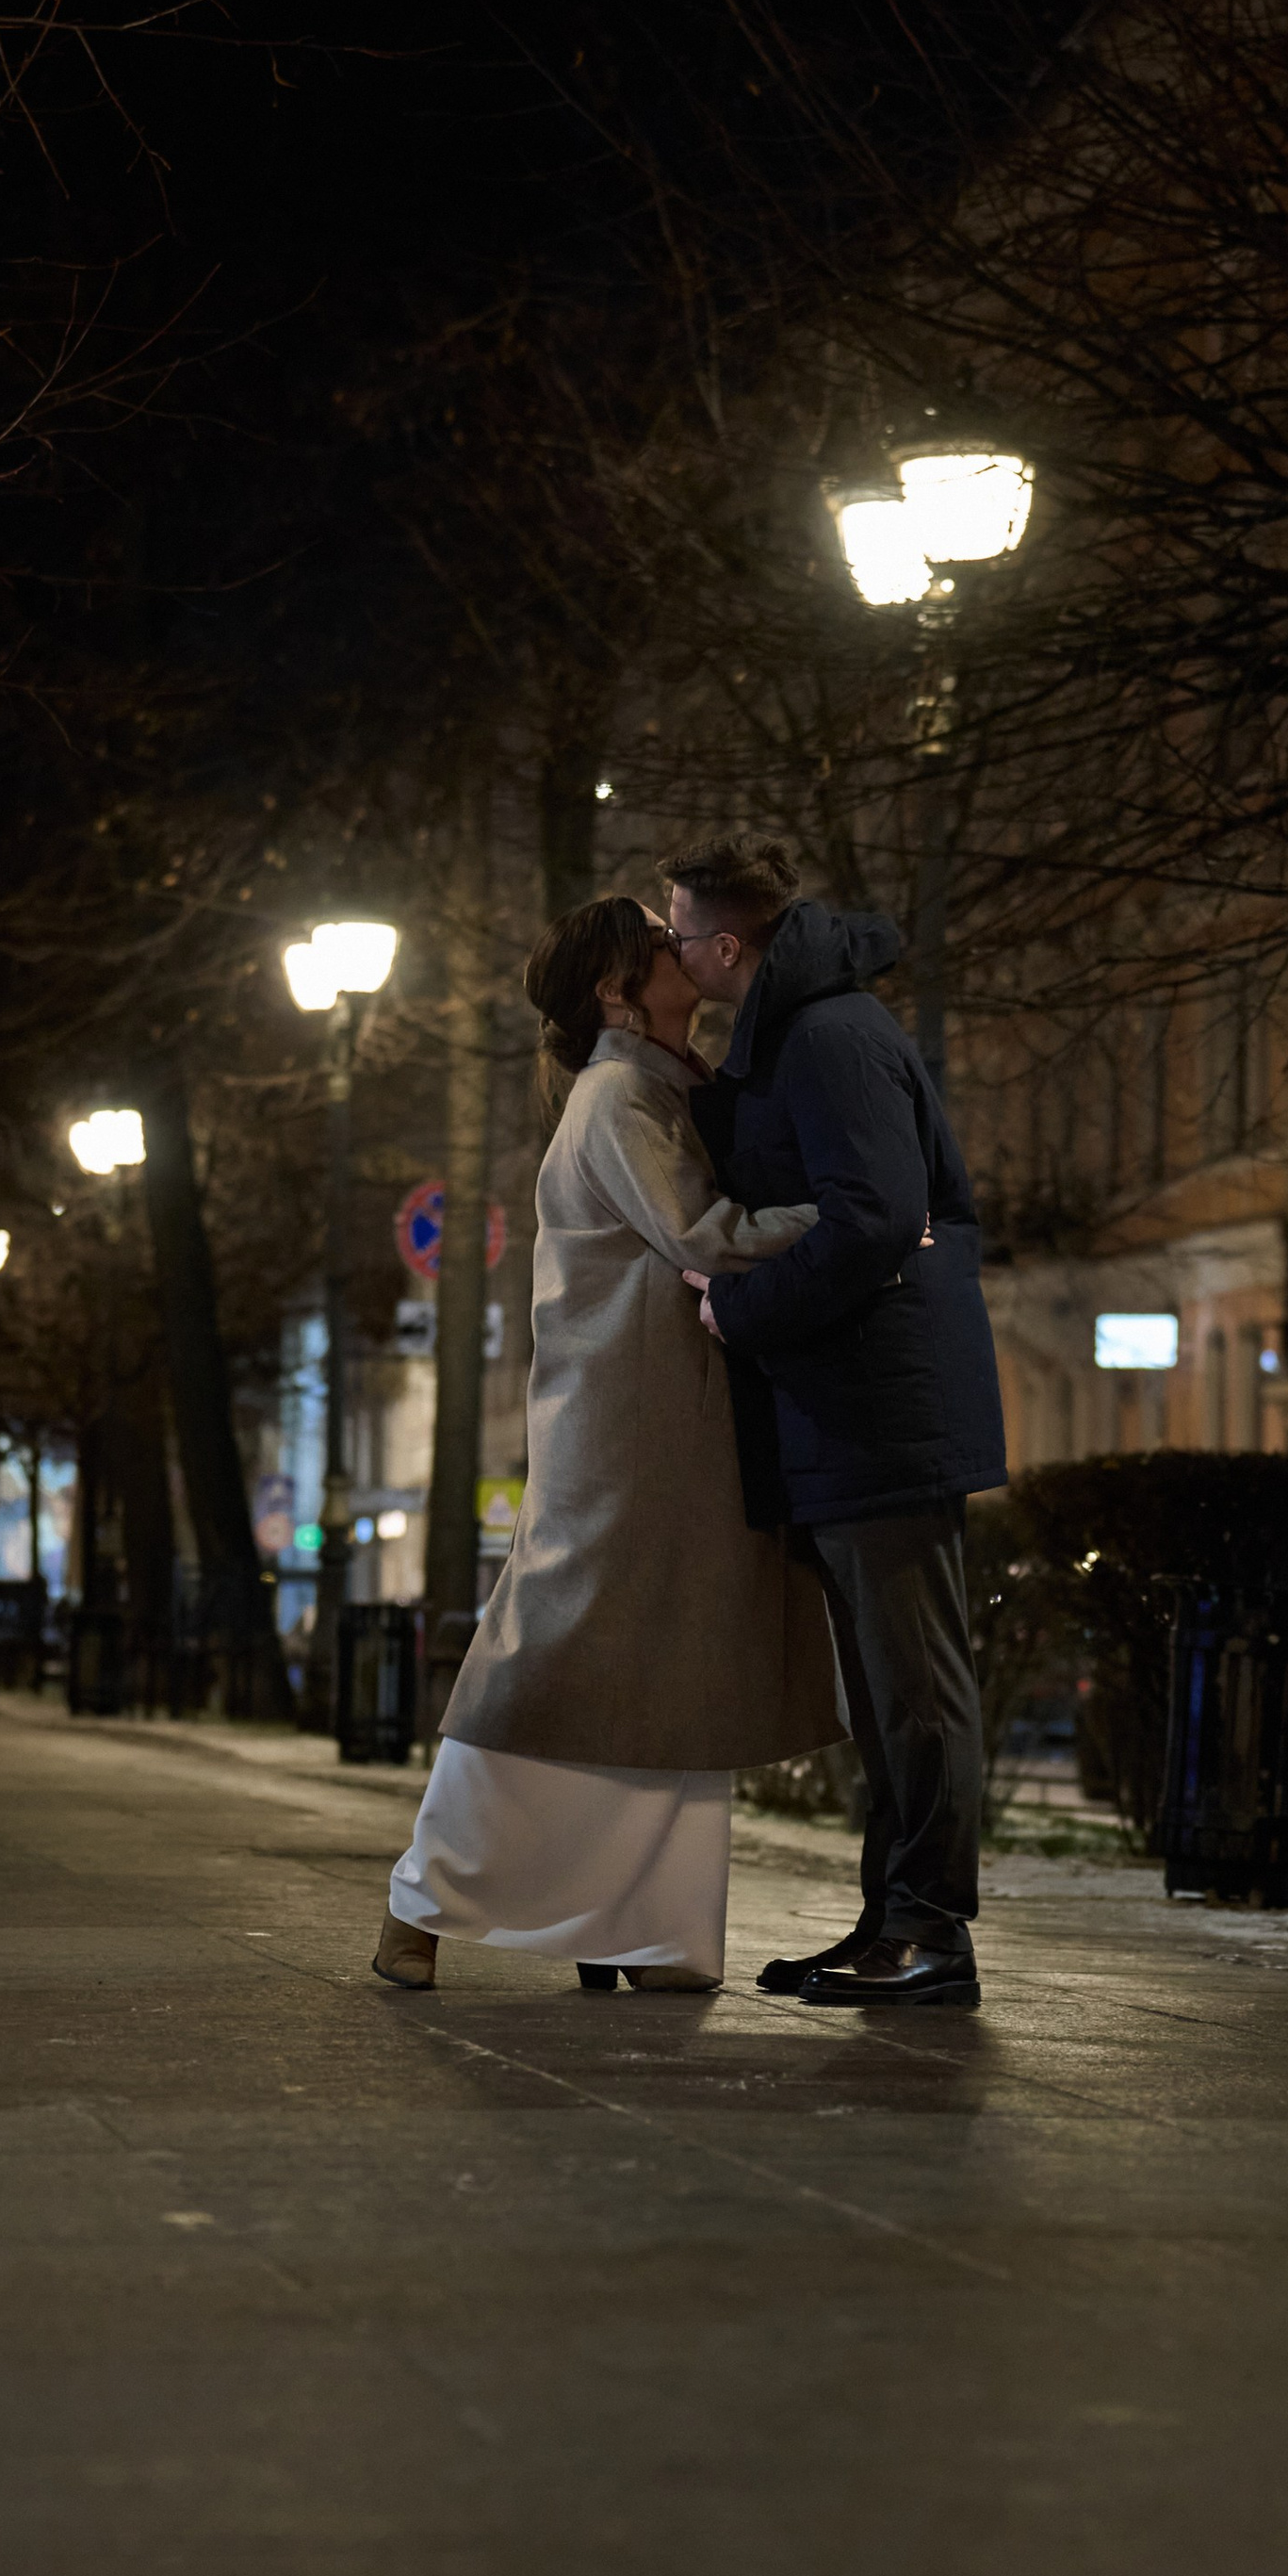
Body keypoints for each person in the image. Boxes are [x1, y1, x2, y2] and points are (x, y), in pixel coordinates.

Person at [374, 894, 840, 1997]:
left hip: (662, 1417)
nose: (683, 951)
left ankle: (645, 1928)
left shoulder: (657, 1087)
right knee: (555, 1651)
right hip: (628, 1424)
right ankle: (423, 1901)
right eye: (656, 944)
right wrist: (850, 1220)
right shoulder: (621, 1094)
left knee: (669, 1662)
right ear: (615, 989)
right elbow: (701, 1235)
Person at [665, 835, 1007, 2011]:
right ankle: (890, 1922)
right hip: (857, 1402)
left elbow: (873, 1219)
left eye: (675, 935)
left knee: (914, 1685)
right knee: (886, 1686)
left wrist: (742, 1309)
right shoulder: (806, 1032)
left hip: (883, 1407)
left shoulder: (829, 1035)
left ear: (723, 944)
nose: (670, 954)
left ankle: (929, 1931)